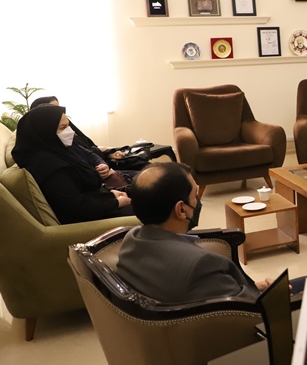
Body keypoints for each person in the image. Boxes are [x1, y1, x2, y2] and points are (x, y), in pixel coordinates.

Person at [116, 163, 272, 303]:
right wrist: (273, 294)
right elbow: (250, 309)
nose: (197, 201)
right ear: (181, 209)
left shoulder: (131, 238)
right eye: (194, 195)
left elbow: (206, 292)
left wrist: (251, 287)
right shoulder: (200, 265)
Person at [11, 105, 132, 223]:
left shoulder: (59, 149)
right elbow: (78, 207)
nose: (71, 131)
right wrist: (116, 202)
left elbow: (82, 192)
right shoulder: (48, 167)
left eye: (68, 125)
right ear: (45, 132)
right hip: (92, 222)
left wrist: (110, 196)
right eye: (63, 127)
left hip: (100, 204)